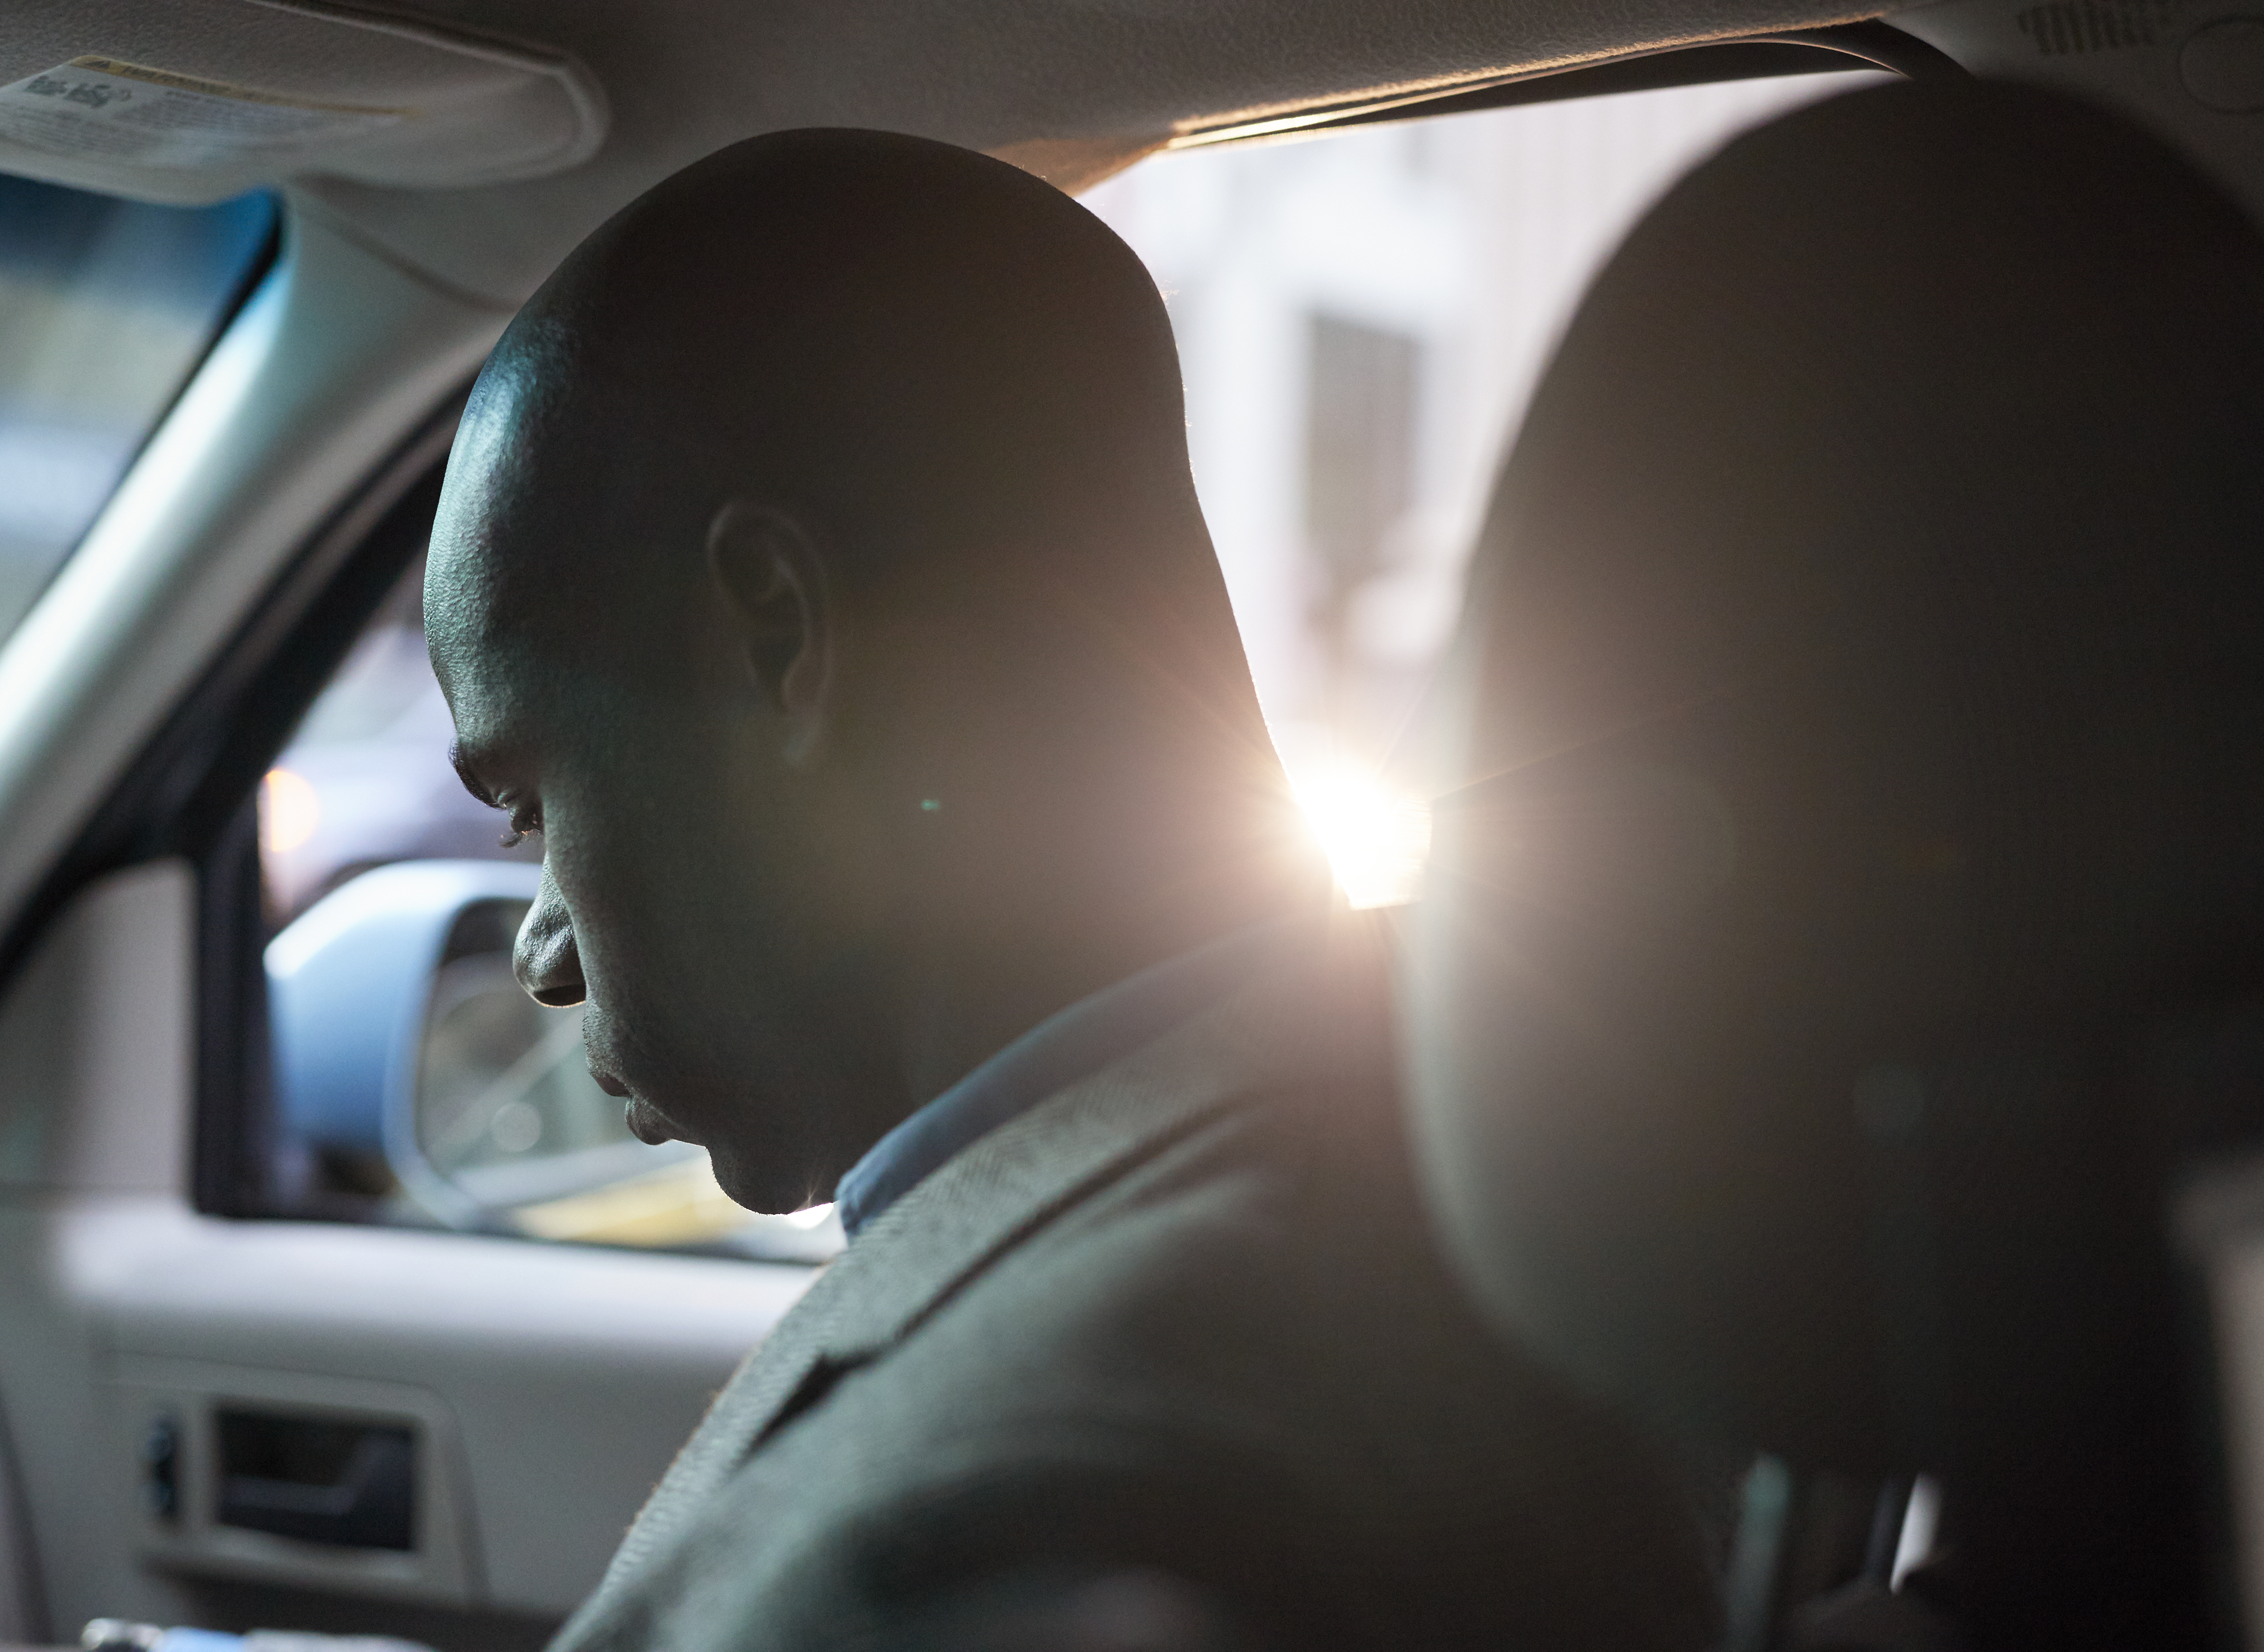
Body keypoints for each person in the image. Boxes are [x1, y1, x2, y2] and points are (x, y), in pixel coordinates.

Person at [424, 127, 1711, 1652]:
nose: (542, 955)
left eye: (527, 802)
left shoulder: (1046, 1511)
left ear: (778, 638)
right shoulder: (1425, 1147)